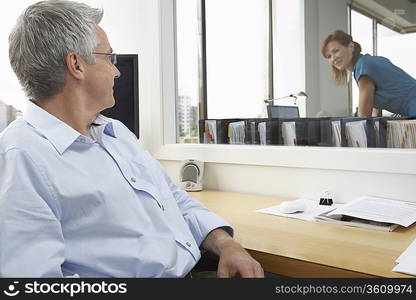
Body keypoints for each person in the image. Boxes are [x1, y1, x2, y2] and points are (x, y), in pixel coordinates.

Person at [0, 0, 264, 278]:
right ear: (76, 64)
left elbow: (174, 200)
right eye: (108, 58)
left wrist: (225, 243)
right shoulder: (21, 158)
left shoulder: (116, 133)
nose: (117, 71)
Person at [321, 30, 416, 117]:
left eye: (336, 51)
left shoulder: (364, 65)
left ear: (351, 46)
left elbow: (363, 115)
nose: (333, 58)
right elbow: (372, 109)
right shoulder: (365, 63)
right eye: (329, 56)